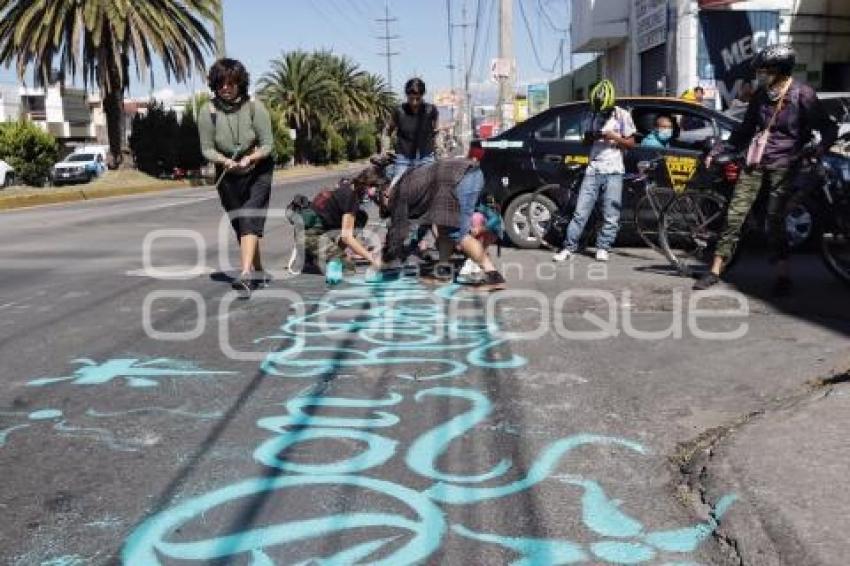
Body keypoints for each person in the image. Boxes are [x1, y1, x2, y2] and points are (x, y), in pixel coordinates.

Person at [694, 44, 838, 295]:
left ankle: (783, 275)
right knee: (735, 214)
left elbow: (828, 129)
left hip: (785, 165)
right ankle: (715, 269)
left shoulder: (802, 94)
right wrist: (719, 150)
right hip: (755, 163)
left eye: (765, 71)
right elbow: (745, 130)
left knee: (775, 219)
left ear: (780, 71)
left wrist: (819, 149)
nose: (761, 75)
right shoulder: (761, 95)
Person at [199, 58, 274, 299]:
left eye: (231, 83)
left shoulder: (255, 107)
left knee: (249, 216)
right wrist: (224, 161)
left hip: (258, 168)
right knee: (241, 224)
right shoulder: (207, 111)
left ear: (240, 83)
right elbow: (207, 148)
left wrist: (251, 158)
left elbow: (267, 144)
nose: (226, 88)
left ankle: (246, 274)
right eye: (221, 84)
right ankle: (259, 269)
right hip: (227, 172)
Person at [378, 157, 507, 290]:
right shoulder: (407, 181)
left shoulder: (398, 193)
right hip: (468, 175)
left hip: (459, 179)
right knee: (445, 228)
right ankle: (443, 271)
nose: (390, 209)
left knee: (458, 233)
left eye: (385, 207)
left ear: (386, 193)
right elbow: (423, 224)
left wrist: (384, 260)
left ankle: (493, 276)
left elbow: (398, 231)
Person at [553, 79, 636, 263]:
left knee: (611, 215)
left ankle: (603, 247)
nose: (601, 114)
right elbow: (585, 141)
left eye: (604, 111)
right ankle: (569, 247)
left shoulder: (622, 115)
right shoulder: (590, 115)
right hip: (593, 170)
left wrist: (614, 137)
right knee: (580, 212)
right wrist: (593, 136)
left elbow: (631, 143)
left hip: (614, 171)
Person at [291, 172, 383, 285]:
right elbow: (346, 237)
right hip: (309, 235)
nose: (376, 194)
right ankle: (312, 258)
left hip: (317, 230)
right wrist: (371, 259)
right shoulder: (350, 198)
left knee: (361, 217)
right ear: (367, 185)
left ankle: (323, 256)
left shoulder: (347, 186)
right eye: (376, 189)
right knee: (348, 268)